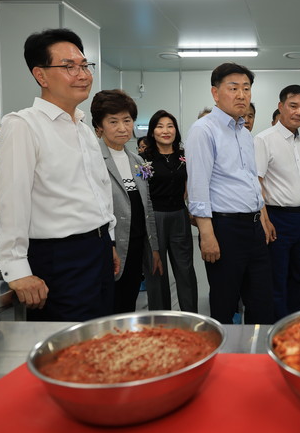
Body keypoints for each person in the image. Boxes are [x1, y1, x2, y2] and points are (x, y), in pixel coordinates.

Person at [0, 28, 118, 322]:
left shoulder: (83, 128)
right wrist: (17, 270)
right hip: (60, 257)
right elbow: (12, 201)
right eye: (69, 66)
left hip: (98, 249)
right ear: (41, 75)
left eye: (85, 65)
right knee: (66, 340)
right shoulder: (23, 125)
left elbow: (99, 190)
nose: (83, 74)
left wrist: (108, 240)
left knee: (98, 333)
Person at [185, 62, 275, 324]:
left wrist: (263, 217)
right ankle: (225, 350)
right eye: (233, 88)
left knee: (261, 302)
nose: (241, 95)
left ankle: (256, 349)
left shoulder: (244, 134)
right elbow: (198, 186)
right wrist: (206, 234)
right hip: (225, 228)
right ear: (215, 93)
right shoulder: (203, 130)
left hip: (253, 228)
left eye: (246, 88)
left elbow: (251, 180)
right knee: (225, 303)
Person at [91, 90, 163, 313]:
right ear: (99, 126)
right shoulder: (93, 158)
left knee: (128, 302)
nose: (122, 128)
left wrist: (153, 247)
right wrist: (110, 245)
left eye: (127, 120)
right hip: (110, 246)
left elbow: (147, 205)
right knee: (109, 305)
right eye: (113, 122)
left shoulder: (137, 160)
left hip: (137, 244)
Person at [255, 85, 300, 320]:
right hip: (277, 218)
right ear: (280, 106)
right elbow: (256, 182)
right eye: (293, 106)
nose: (298, 112)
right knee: (277, 279)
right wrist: (264, 219)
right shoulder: (264, 140)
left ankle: (289, 320)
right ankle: (277, 328)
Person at [141, 110, 199, 312]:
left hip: (179, 215)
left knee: (185, 269)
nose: (165, 131)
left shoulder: (184, 157)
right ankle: (160, 320)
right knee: (156, 270)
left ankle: (191, 317)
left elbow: (191, 183)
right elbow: (142, 190)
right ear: (152, 131)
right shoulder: (144, 160)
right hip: (154, 217)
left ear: (176, 130)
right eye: (160, 126)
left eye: (170, 126)